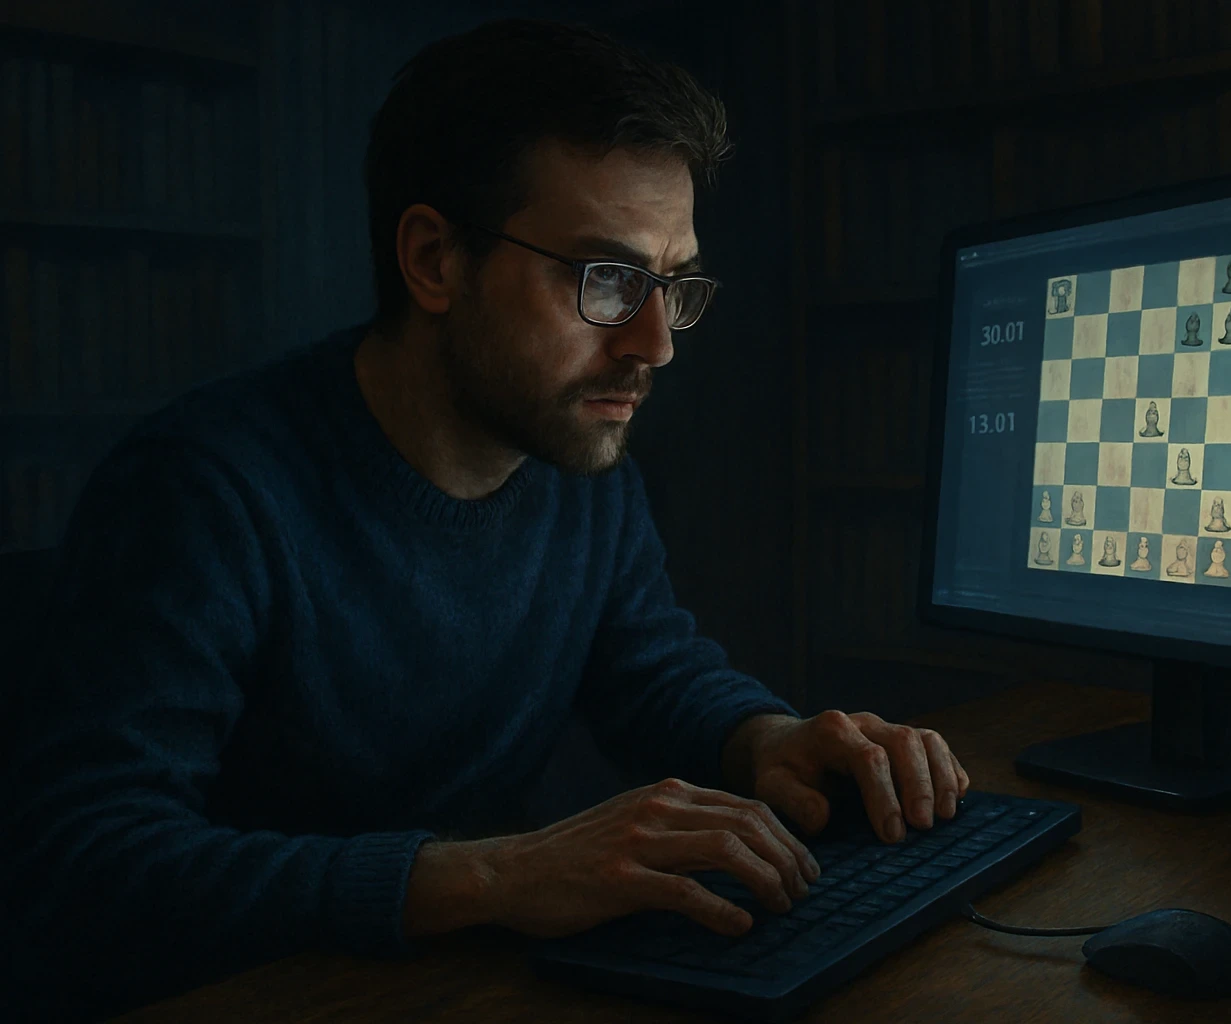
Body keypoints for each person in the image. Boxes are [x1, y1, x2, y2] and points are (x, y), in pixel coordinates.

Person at [1, 18, 970, 1022]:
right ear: (434, 259)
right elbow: (86, 862)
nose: (655, 345)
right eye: (606, 280)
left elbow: (647, 668)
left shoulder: (576, 457)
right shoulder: (203, 491)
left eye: (673, 285)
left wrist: (764, 737)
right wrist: (496, 877)